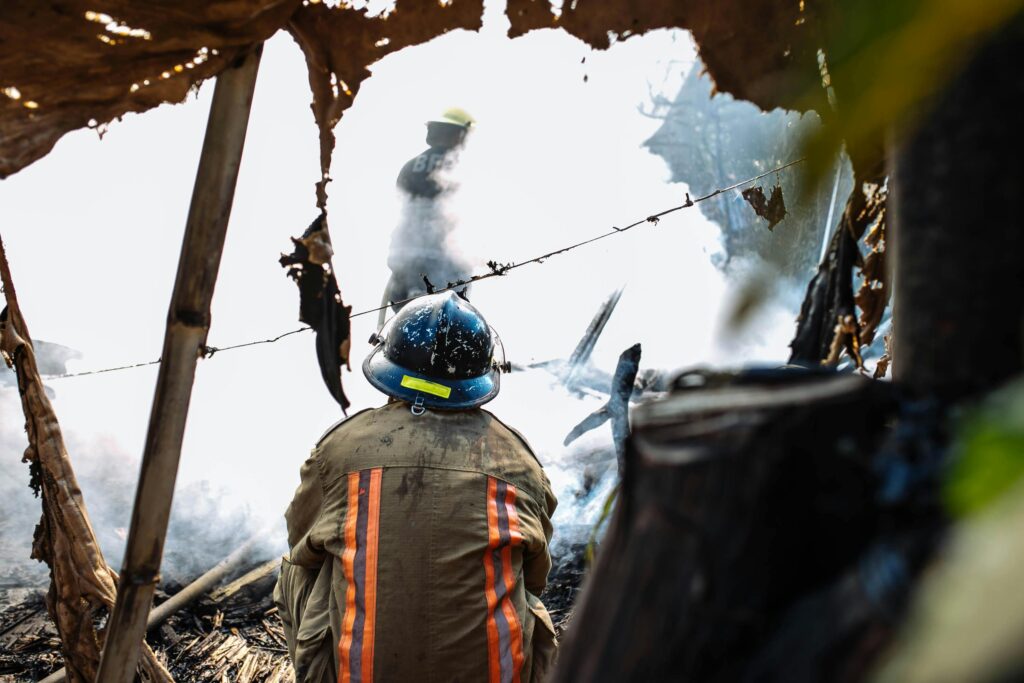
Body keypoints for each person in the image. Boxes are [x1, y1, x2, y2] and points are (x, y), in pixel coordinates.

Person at [274, 291, 558, 683]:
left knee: (300, 570)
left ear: (391, 366)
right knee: (524, 589)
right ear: (480, 376)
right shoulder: (519, 460)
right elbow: (538, 571)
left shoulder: (340, 448)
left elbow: (299, 538)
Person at [382, 109, 476, 327]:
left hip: (405, 261)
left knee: (404, 327)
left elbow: (403, 210)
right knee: (446, 327)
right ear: (458, 134)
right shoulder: (461, 168)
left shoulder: (409, 166)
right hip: (445, 266)